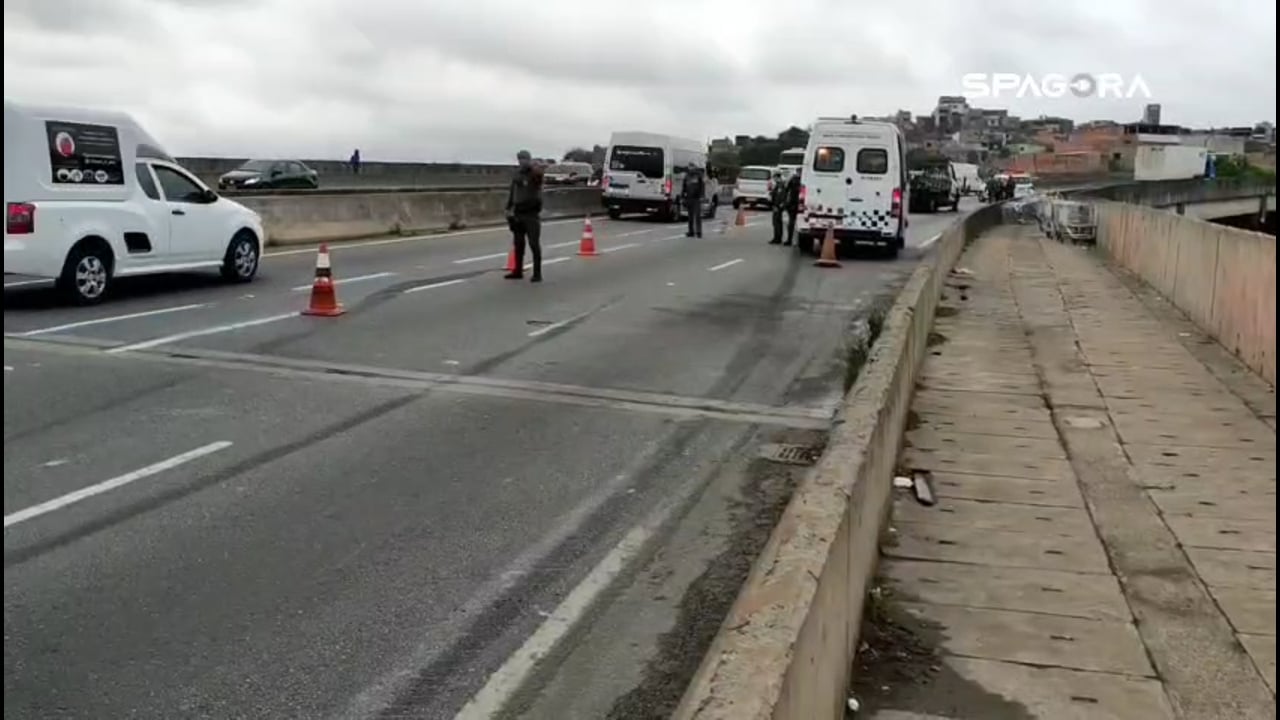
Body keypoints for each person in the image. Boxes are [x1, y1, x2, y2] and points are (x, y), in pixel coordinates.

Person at [505, 150, 545, 282]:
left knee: (533, 243)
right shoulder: (517, 174)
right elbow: (513, 191)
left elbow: (539, 177)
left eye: (524, 159)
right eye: (520, 159)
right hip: (518, 212)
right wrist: (508, 207)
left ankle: (537, 273)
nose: (522, 161)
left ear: (529, 159)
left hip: (531, 213)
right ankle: (517, 270)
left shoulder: (534, 174)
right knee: (518, 243)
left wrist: (536, 166)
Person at [681, 162, 705, 238]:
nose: (690, 168)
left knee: (697, 215)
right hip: (689, 197)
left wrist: (701, 195)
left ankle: (699, 232)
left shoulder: (698, 175)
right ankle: (691, 231)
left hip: (696, 198)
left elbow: (702, 186)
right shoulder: (687, 176)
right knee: (690, 216)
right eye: (689, 167)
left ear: (694, 167)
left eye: (692, 167)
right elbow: (684, 186)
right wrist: (683, 196)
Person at [782, 171, 802, 245]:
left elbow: (786, 189)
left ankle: (789, 239)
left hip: (793, 203)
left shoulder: (793, 179)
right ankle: (793, 239)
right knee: (794, 222)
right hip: (799, 203)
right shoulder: (804, 179)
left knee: (791, 222)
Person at [768, 170, 786, 244]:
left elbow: (780, 196)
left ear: (777, 177)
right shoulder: (778, 185)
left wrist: (777, 205)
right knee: (776, 222)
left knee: (777, 222)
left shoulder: (781, 185)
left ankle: (777, 238)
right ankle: (777, 237)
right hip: (777, 205)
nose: (774, 179)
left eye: (774, 177)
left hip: (778, 206)